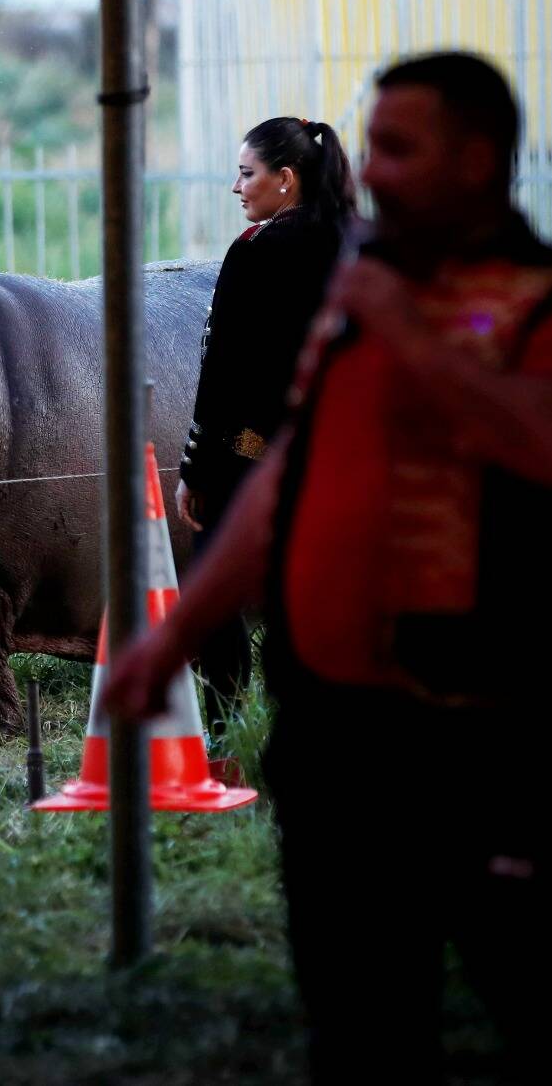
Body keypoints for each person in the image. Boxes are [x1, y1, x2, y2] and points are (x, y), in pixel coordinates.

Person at [105, 53, 552, 1082]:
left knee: (551, 1005)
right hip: (339, 732)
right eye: (373, 148)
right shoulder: (358, 296)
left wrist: (407, 333)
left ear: (477, 158)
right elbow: (289, 475)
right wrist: (171, 637)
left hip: (500, 734)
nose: (374, 172)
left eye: (400, 149)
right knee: (357, 1019)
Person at [177, 116, 354, 732]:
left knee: (215, 593)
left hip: (253, 463)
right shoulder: (361, 245)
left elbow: (224, 369)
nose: (236, 187)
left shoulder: (258, 251)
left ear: (285, 178)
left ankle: (229, 735)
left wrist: (197, 467)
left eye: (245, 174)